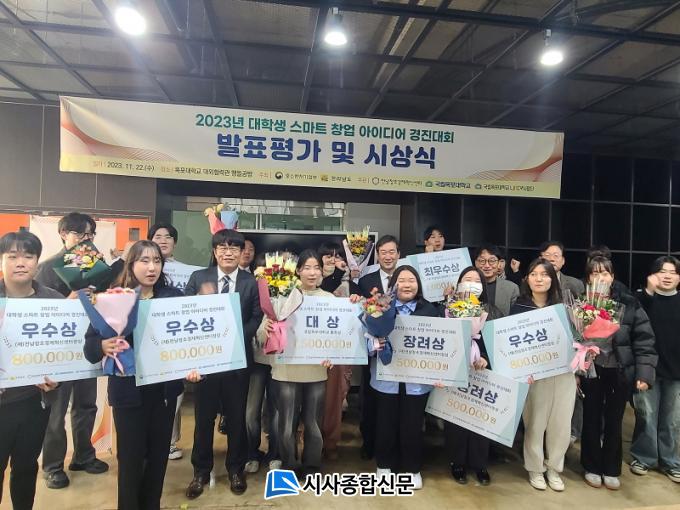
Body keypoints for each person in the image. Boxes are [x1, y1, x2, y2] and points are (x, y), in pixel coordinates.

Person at [83, 240, 186, 510]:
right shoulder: (113, 298)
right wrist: (102, 346)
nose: (152, 267)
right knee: (130, 460)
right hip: (128, 394)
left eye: (157, 261)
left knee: (158, 458)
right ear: (131, 264)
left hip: (163, 393)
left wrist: (193, 367)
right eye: (144, 261)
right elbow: (90, 348)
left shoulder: (173, 297)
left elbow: (187, 340)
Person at [184, 229, 262, 499]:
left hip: (237, 361)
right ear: (215, 251)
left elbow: (256, 316)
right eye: (223, 248)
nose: (228, 253)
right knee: (203, 419)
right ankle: (200, 471)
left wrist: (234, 337)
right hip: (205, 361)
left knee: (237, 417)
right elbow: (186, 313)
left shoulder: (251, 282)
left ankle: (235, 469)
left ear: (242, 253)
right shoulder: (198, 278)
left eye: (234, 248)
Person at [35, 212, 110, 489]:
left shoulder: (97, 265)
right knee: (56, 411)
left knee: (86, 405)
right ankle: (53, 466)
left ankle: (84, 456)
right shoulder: (47, 267)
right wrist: (68, 301)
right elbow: (38, 314)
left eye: (90, 234)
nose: (85, 239)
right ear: (63, 234)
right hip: (59, 351)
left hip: (88, 345)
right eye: (79, 233)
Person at [579, 257, 656, 490]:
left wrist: (644, 374)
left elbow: (644, 340)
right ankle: (591, 466)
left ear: (612, 277)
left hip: (619, 370)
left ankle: (611, 468)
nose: (600, 278)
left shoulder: (629, 303)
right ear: (588, 278)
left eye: (605, 273)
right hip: (591, 370)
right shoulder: (581, 303)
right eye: (595, 274)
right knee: (590, 419)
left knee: (614, 420)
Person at [362, 264, 440, 490]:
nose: (407, 285)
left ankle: (412, 468)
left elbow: (440, 345)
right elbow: (366, 338)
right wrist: (375, 343)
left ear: (419, 285)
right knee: (385, 423)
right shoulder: (379, 307)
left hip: (417, 381)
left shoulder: (430, 310)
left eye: (411, 280)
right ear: (393, 285)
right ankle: (384, 465)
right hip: (387, 379)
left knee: (412, 425)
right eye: (402, 280)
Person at [257, 250, 333, 477]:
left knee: (313, 423)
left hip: (316, 371)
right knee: (286, 422)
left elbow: (338, 337)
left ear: (322, 272)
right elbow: (261, 335)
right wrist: (266, 329)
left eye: (317, 268)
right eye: (307, 268)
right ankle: (289, 464)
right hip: (286, 371)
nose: (312, 273)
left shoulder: (330, 300)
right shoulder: (282, 295)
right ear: (298, 271)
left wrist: (334, 355)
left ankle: (312, 466)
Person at [0, 231, 60, 509]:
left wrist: (57, 379)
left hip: (34, 402)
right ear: (2, 261)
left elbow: (64, 351)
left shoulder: (53, 301)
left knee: (26, 467)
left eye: (28, 256)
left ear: (37, 261)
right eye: (12, 256)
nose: (21, 263)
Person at [510, 258, 575, 492]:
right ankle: (535, 468)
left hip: (563, 373)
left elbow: (577, 339)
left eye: (545, 274)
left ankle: (554, 468)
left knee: (561, 424)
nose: (539, 279)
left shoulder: (565, 307)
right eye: (534, 274)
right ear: (527, 279)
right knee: (535, 423)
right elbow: (511, 345)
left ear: (552, 279)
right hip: (533, 375)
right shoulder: (519, 307)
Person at [444, 266, 502, 486]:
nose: (471, 284)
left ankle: (480, 464)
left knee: (480, 418)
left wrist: (485, 357)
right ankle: (456, 462)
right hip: (456, 369)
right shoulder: (449, 308)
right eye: (467, 279)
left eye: (476, 281)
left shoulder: (491, 310)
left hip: (481, 371)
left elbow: (498, 341)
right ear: (459, 283)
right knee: (455, 418)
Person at [631, 256, 680, 483]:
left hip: (676, 372)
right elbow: (634, 324)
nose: (667, 276)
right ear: (653, 275)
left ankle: (670, 461)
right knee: (646, 415)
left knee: (672, 420)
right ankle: (644, 457)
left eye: (672, 272)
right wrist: (649, 292)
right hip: (647, 370)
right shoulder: (641, 298)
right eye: (662, 271)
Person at [357, 234, 401, 460]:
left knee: (395, 401)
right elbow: (360, 312)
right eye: (383, 252)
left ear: (399, 254)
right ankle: (369, 442)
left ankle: (394, 445)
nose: (388, 256)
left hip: (402, 350)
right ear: (377, 255)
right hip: (372, 348)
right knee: (369, 397)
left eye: (392, 252)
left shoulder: (407, 278)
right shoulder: (366, 281)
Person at [148, 222, 185, 461]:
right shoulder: (133, 274)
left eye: (168, 237)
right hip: (147, 346)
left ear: (175, 243)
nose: (163, 240)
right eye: (158, 236)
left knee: (174, 396)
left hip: (173, 344)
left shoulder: (187, 272)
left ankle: (170, 442)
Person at [318, 242, 359, 460]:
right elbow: (324, 288)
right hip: (313, 349)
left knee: (335, 398)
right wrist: (335, 273)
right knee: (312, 399)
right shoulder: (311, 282)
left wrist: (358, 300)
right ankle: (311, 442)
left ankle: (331, 442)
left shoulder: (350, 282)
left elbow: (365, 306)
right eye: (327, 255)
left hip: (340, 349)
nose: (332, 259)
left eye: (337, 256)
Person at [474, 244, 519, 316]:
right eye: (482, 261)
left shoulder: (511, 288)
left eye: (492, 261)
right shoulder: (467, 286)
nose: (487, 265)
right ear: (476, 263)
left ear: (498, 263)